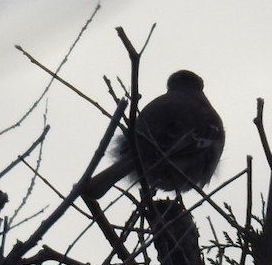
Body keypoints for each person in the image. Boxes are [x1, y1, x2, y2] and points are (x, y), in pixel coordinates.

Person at [84, 70, 224, 198]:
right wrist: (162, 155)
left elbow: (132, 138)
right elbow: (193, 144)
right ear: (200, 86)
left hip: (138, 158)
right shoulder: (207, 115)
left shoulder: (155, 106)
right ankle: (171, 204)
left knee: (132, 164)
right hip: (176, 161)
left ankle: (102, 184)